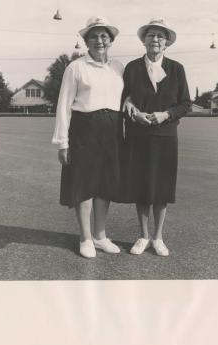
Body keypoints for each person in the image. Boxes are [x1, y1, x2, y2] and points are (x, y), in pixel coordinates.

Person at [52, 16, 124, 259]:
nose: (99, 40)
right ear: (86, 41)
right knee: (84, 184)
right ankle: (85, 238)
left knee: (105, 185)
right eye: (93, 36)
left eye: (104, 36)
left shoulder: (118, 67)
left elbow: (127, 98)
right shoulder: (75, 68)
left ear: (111, 40)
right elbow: (63, 106)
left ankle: (100, 236)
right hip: (84, 129)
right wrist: (63, 142)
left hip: (112, 130)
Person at [121, 17, 191, 256]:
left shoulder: (177, 69)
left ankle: (158, 237)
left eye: (160, 36)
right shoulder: (131, 68)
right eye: (151, 35)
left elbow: (185, 104)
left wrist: (166, 115)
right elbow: (123, 97)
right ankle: (143, 236)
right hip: (138, 135)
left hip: (165, 136)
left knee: (161, 188)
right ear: (144, 40)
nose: (155, 39)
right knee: (141, 186)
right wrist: (131, 108)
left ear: (167, 43)